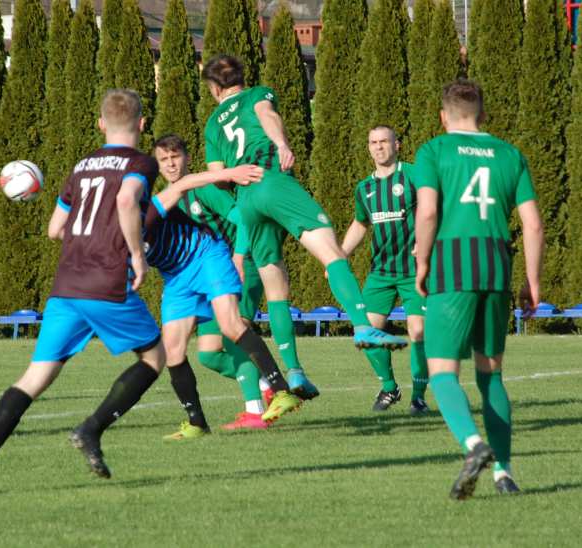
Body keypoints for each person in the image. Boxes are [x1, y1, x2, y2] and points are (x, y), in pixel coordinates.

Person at [0, 89, 167, 494]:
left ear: (101, 123)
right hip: (105, 282)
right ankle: (92, 429)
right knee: (156, 356)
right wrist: (137, 256)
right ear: (141, 124)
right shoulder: (141, 162)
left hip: (67, 282)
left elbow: (55, 229)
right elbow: (126, 199)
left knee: (36, 377)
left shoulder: (83, 165)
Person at [201, 55, 407, 373]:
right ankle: (363, 325)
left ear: (215, 88)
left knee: (275, 285)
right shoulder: (258, 94)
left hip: (246, 200)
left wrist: (236, 174)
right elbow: (266, 114)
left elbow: (217, 175)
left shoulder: (213, 124)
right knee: (331, 252)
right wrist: (281, 144)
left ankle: (295, 374)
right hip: (271, 180)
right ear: (241, 78)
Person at [413, 80, 543, 500]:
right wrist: (533, 281)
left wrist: (422, 260)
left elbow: (429, 211)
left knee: (442, 371)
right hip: (496, 265)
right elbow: (534, 224)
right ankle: (504, 473)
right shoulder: (510, 154)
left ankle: (474, 446)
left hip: (453, 263)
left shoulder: (433, 151)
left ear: (442, 116)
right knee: (491, 374)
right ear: (482, 115)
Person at [144, 147, 303, 439]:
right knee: (196, 353)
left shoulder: (186, 194)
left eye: (175, 157)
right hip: (186, 277)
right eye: (163, 159)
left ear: (186, 158)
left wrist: (239, 256)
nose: (170, 164)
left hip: (222, 261)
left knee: (232, 331)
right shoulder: (131, 221)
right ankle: (208, 417)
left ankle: (268, 399)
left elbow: (239, 217)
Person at [340, 126, 429, 414]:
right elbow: (360, 224)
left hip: (415, 271)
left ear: (397, 145)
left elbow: (437, 209)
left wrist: (427, 241)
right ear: (369, 148)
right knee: (365, 333)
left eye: (384, 142)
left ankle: (418, 398)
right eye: (373, 143)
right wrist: (339, 256)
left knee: (417, 332)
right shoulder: (364, 188)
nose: (379, 147)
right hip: (381, 273)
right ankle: (390, 389)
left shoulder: (414, 176)